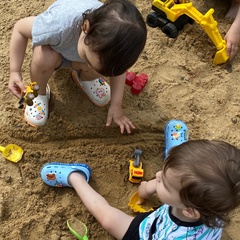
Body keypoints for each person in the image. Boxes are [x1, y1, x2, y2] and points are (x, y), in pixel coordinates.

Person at [40, 139, 240, 239]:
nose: (157, 176)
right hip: (166, 215)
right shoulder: (215, 208)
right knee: (181, 177)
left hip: (148, 233)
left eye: (164, 183)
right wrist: (148, 189)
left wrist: (149, 189)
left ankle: (75, 177)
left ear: (189, 210)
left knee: (108, 218)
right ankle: (177, 165)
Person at [8, 0, 147, 133]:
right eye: (88, 58)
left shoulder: (109, 44)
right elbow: (20, 28)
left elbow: (117, 71)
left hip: (78, 54)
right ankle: (39, 93)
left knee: (99, 65)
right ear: (85, 27)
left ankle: (85, 78)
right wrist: (15, 71)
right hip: (55, 50)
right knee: (44, 57)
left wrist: (116, 105)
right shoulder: (57, 25)